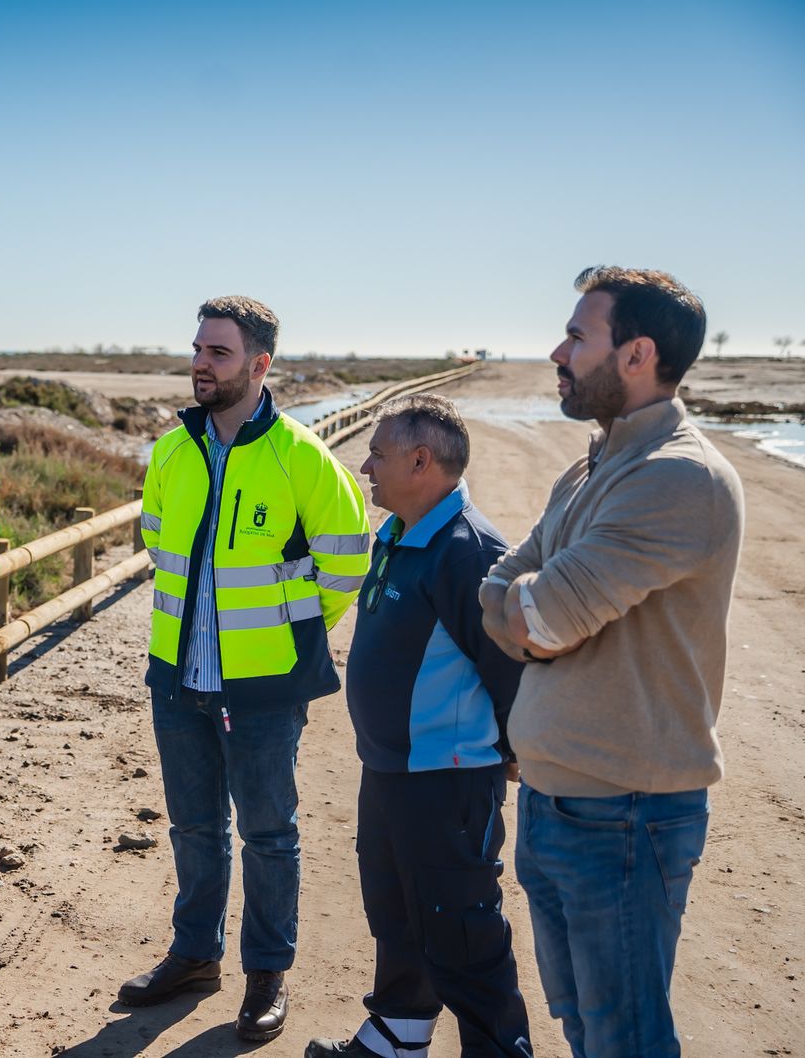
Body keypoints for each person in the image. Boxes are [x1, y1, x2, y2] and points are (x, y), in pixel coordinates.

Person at [480, 267, 743, 1057]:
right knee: (584, 1024)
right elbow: (499, 584)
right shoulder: (591, 464)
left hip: (626, 813)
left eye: (576, 335)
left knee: (624, 1036)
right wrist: (525, 608)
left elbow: (544, 618)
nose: (557, 351)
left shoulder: (677, 476)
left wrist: (528, 610)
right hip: (557, 798)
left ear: (636, 354)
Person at [126, 296, 370, 1042]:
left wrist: (289, 639)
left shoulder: (301, 457)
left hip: (264, 688)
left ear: (260, 365)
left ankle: (267, 973)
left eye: (218, 352)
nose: (200, 362)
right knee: (194, 828)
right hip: (178, 676)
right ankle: (194, 956)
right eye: (198, 348)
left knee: (269, 834)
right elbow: (161, 547)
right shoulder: (171, 450)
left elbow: (347, 562)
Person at [305, 395, 532, 1058]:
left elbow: (509, 666)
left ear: (421, 461)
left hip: (447, 777)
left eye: (378, 453)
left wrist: (512, 753)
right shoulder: (401, 531)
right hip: (392, 770)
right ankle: (397, 1035)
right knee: (397, 910)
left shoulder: (471, 551)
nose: (367, 465)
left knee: (461, 929)